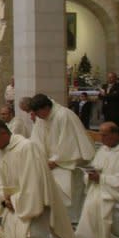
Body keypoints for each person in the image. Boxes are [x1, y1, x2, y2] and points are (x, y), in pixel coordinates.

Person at [0, 119, 79, 238]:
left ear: (3, 133)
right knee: (12, 237)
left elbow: (33, 183)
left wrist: (14, 200)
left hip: (33, 207)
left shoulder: (27, 147)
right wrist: (4, 199)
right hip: (13, 205)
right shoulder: (0, 152)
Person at [30, 93, 96, 223]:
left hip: (68, 161)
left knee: (70, 189)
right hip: (49, 161)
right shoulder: (41, 118)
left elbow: (69, 142)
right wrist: (38, 157)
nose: (37, 117)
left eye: (38, 113)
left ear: (45, 108)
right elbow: (37, 138)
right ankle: (56, 215)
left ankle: (72, 217)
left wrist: (56, 160)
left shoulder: (64, 115)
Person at [76, 122, 119, 238]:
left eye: (104, 135)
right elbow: (95, 166)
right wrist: (90, 174)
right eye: (100, 135)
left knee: (100, 203)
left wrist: (102, 178)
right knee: (91, 202)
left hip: (115, 192)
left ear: (115, 134)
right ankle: (90, 237)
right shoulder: (103, 150)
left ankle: (104, 237)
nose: (101, 139)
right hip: (100, 187)